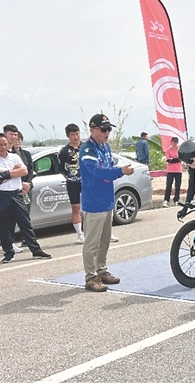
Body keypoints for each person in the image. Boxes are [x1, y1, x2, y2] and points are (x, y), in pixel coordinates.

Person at [80, 114, 134, 292]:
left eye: (109, 129)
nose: (107, 132)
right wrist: (120, 171)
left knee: (104, 241)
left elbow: (109, 168)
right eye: (104, 129)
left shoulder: (105, 147)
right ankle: (90, 277)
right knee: (91, 243)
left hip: (107, 200)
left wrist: (118, 170)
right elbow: (98, 171)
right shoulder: (88, 150)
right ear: (92, 129)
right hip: (94, 203)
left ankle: (101, 270)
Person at [0, 133, 52, 263]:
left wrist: (5, 174)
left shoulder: (14, 157)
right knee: (4, 226)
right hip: (0, 196)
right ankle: (8, 252)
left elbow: (24, 171)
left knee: (25, 223)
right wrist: (13, 172)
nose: (4, 147)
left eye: (5, 144)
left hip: (16, 194)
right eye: (0, 145)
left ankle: (36, 250)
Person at [58, 123, 85, 243]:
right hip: (72, 182)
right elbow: (60, 168)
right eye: (73, 134)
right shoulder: (64, 151)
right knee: (76, 207)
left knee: (92, 206)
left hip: (87, 181)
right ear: (68, 136)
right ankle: (80, 234)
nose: (76, 137)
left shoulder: (86, 147)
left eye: (77, 133)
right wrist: (69, 176)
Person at [163, 137, 182, 207]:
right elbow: (169, 160)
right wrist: (176, 159)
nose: (175, 143)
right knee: (168, 186)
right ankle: (166, 200)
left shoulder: (180, 150)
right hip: (170, 171)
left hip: (178, 170)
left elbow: (181, 158)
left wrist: (174, 159)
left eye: (176, 142)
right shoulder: (168, 150)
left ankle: (176, 200)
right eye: (174, 142)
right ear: (171, 142)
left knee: (178, 186)